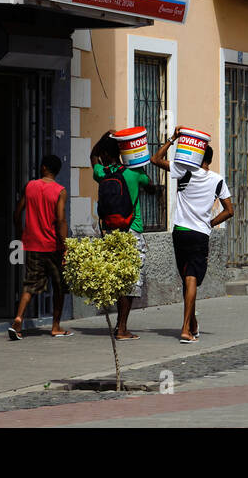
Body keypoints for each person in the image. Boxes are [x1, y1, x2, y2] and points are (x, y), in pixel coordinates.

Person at [152, 130, 233, 344]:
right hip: (199, 235)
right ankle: (186, 329)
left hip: (180, 232)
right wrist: (211, 223)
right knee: (192, 280)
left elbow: (155, 160)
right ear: (210, 159)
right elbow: (229, 210)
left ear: (196, 155)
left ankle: (193, 324)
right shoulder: (217, 180)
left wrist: (173, 138)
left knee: (188, 280)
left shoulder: (183, 170)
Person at [92, 131, 150, 340]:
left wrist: (105, 136)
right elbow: (149, 183)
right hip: (132, 231)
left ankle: (120, 326)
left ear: (105, 154)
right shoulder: (133, 174)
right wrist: (136, 158)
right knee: (131, 281)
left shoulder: (102, 173)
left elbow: (93, 156)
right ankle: (122, 328)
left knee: (117, 279)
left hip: (110, 233)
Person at [10, 154, 70, 340]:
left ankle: (19, 318)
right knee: (59, 286)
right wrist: (66, 244)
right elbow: (60, 220)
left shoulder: (30, 187)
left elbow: (17, 212)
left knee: (30, 285)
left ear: (44, 168)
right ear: (57, 171)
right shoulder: (60, 191)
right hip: (53, 246)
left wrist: (21, 233)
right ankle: (56, 326)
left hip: (32, 244)